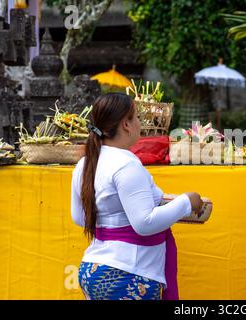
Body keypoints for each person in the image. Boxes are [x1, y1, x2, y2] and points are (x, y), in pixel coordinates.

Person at [71, 92, 203, 300]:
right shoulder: (126, 164)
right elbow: (144, 222)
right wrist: (187, 201)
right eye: (137, 118)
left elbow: (79, 217)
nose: (140, 124)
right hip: (126, 273)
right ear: (126, 124)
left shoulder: (85, 163)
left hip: (93, 270)